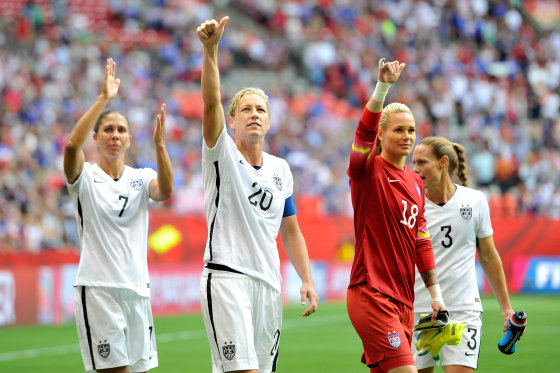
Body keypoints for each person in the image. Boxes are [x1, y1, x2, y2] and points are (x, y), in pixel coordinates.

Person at [196, 16, 319, 373]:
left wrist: (307, 279)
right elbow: (208, 105)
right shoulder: (221, 153)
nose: (254, 115)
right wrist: (211, 50)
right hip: (227, 276)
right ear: (231, 121)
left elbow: (291, 231)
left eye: (260, 110)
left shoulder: (281, 169)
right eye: (245, 109)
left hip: (269, 285)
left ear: (269, 121)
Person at [64, 58, 173, 373]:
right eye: (107, 130)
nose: (114, 135)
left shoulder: (140, 178)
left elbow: (165, 190)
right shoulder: (83, 177)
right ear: (96, 139)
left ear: (128, 140)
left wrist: (161, 145)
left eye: (121, 130)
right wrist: (104, 99)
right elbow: (72, 146)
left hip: (137, 292)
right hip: (99, 290)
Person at [346, 58, 448, 373]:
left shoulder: (417, 184)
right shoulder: (366, 171)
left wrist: (436, 296)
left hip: (404, 303)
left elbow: (421, 241)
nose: (407, 136)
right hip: (371, 293)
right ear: (381, 134)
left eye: (411, 130)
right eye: (399, 130)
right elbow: (362, 133)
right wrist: (383, 87)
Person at [411, 137, 515, 373]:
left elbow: (489, 257)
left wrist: (506, 308)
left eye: (422, 162)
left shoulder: (475, 200)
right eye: (413, 162)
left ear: (443, 163)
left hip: (463, 309)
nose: (415, 169)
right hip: (419, 310)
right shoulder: (410, 204)